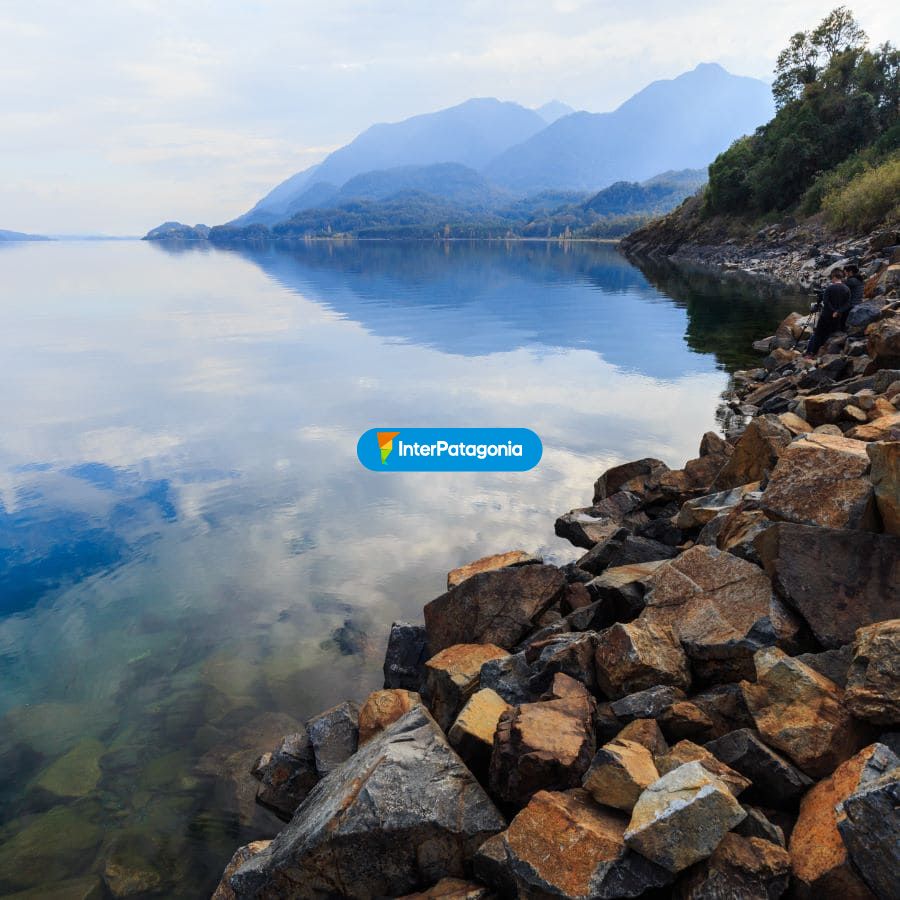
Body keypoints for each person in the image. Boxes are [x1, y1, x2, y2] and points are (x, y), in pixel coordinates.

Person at [805, 268, 851, 357]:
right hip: (838, 316)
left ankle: (811, 353)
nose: (831, 279)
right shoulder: (847, 289)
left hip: (826, 315)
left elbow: (826, 302)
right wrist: (838, 311)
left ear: (834, 277)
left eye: (831, 277)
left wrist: (833, 310)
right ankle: (825, 351)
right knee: (830, 333)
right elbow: (847, 304)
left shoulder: (830, 288)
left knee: (818, 334)